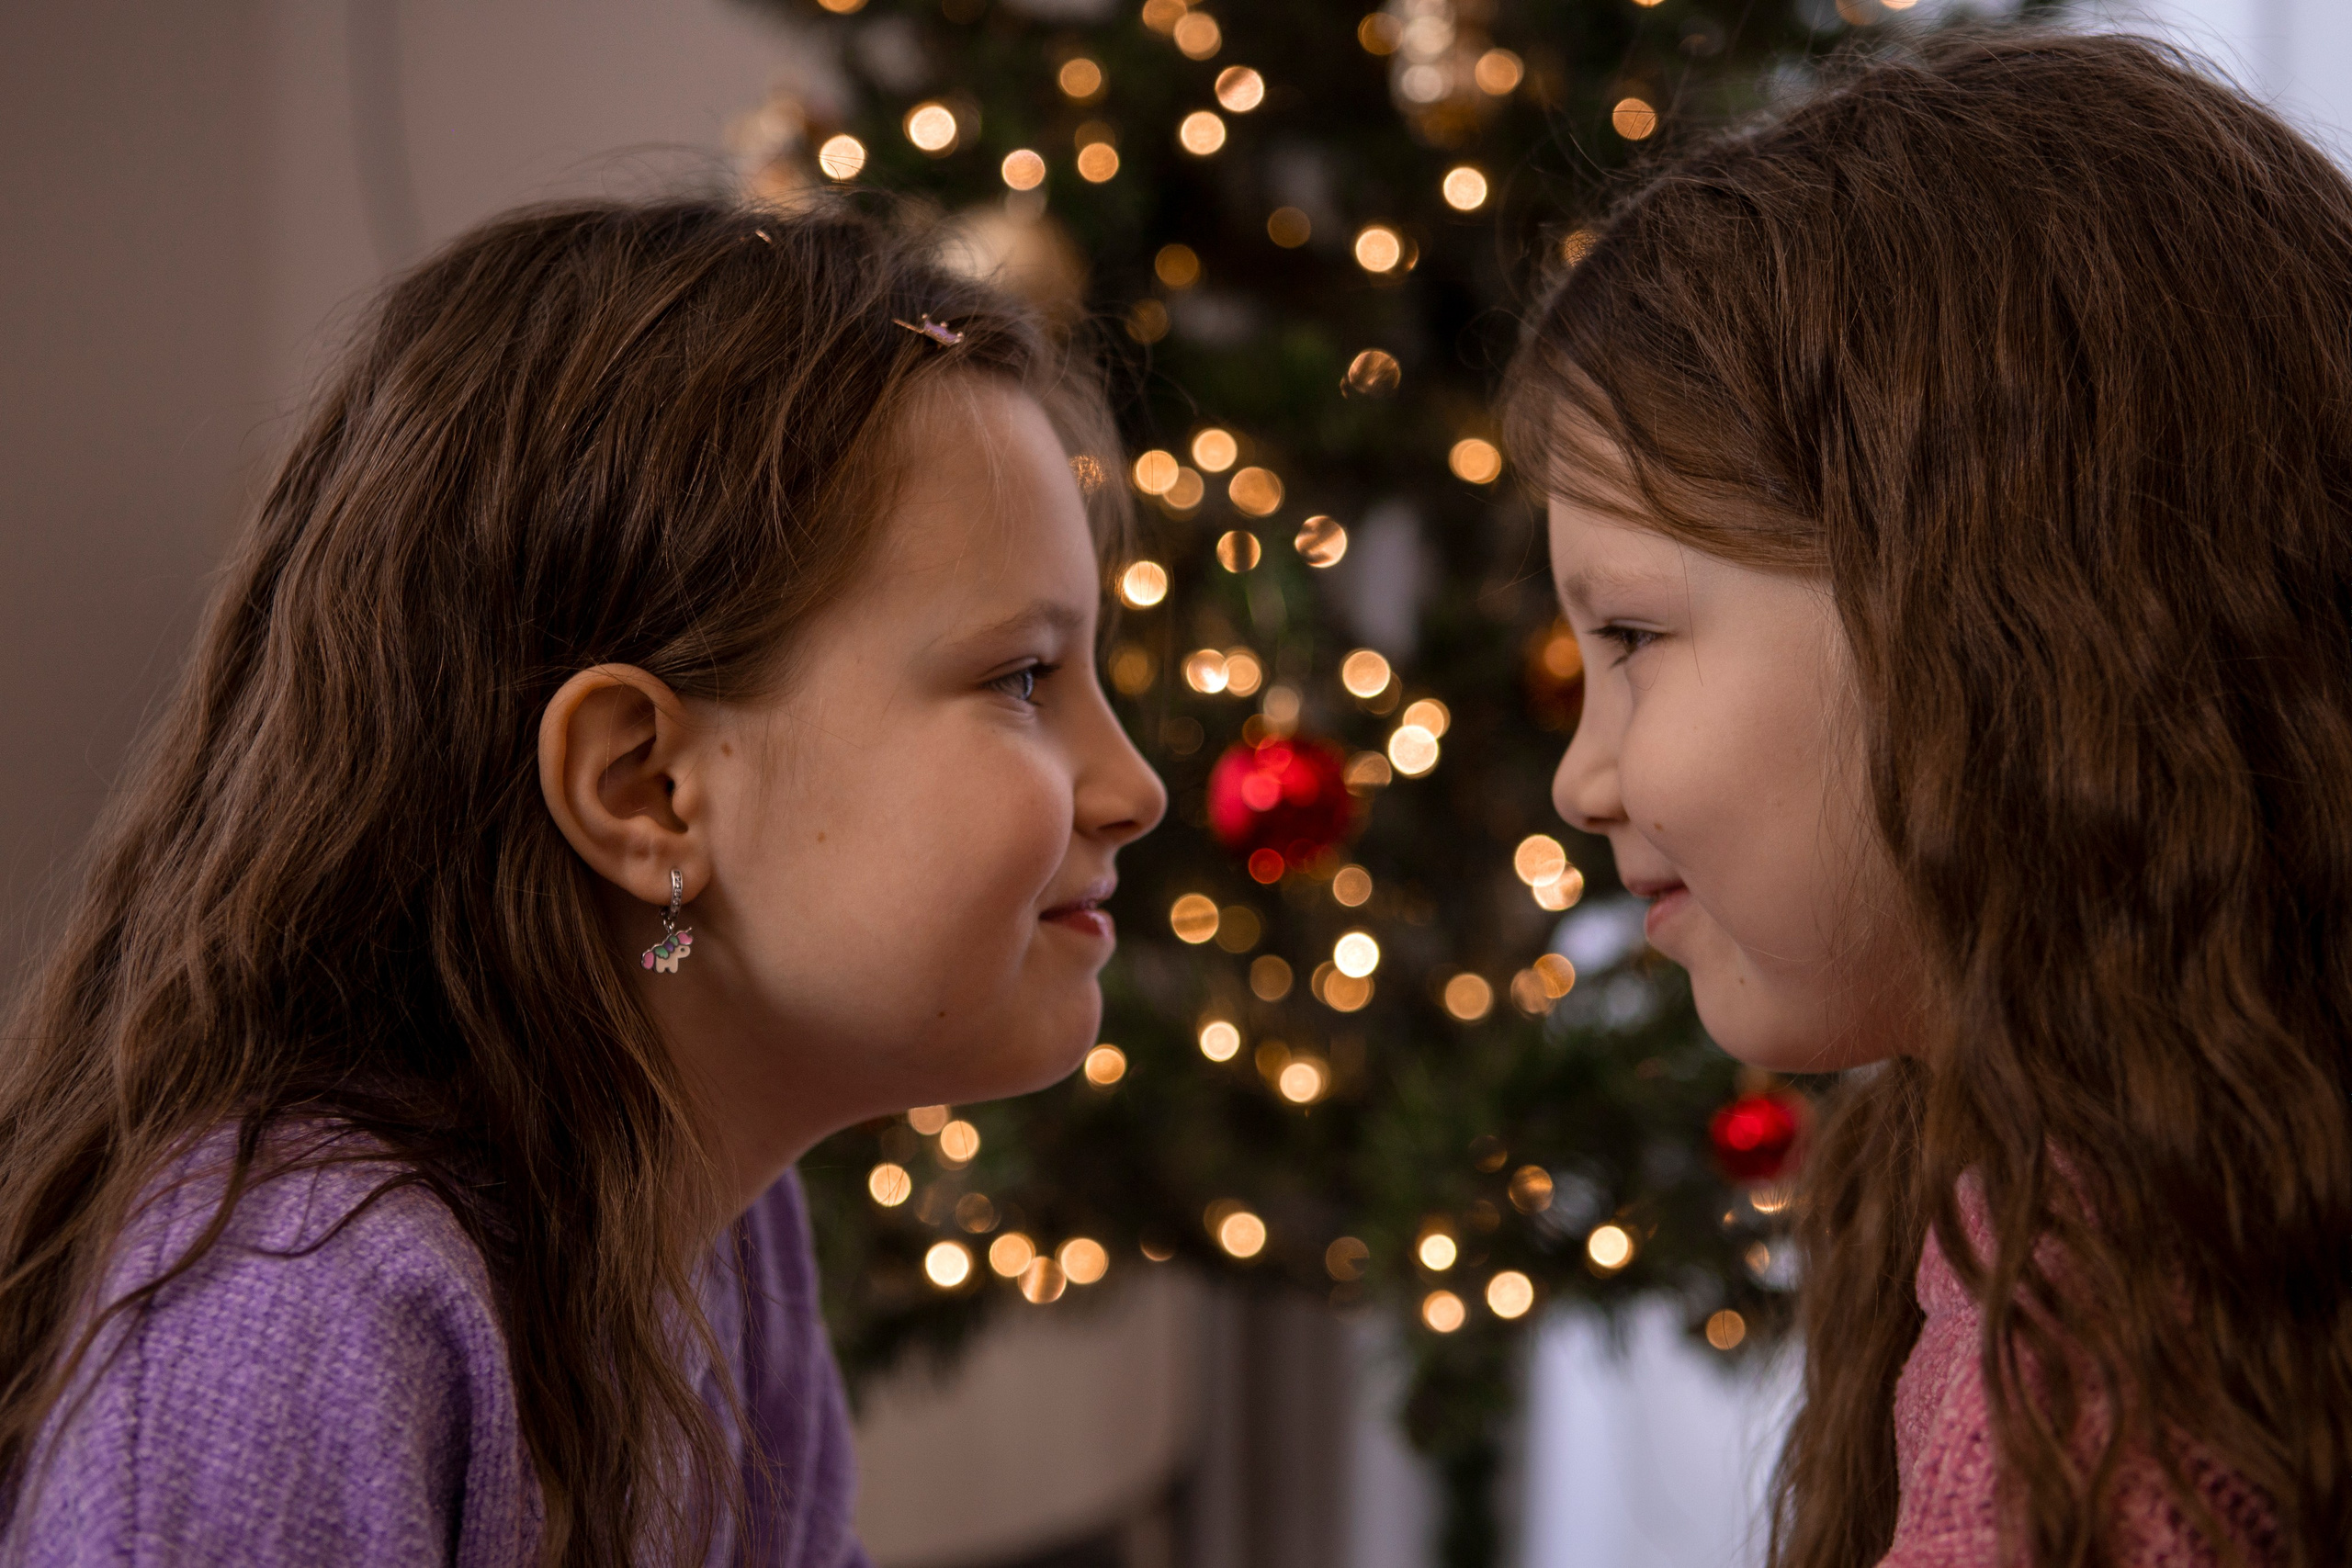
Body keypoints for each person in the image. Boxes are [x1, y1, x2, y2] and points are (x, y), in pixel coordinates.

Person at [0, 200, 1165, 1566]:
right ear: (646, 791)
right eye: (1022, 676)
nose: (1136, 786)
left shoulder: (722, 1239)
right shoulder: (301, 1312)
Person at [1504, 30, 2349, 1568]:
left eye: (1629, 635)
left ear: (1975, 623)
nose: (1583, 777)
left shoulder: (2110, 1391)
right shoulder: (2043, 1198)